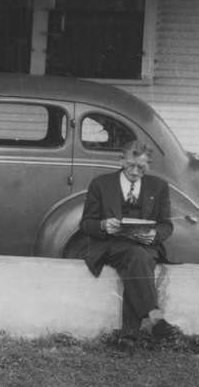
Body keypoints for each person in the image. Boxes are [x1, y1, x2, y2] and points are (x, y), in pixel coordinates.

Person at [77, 139, 181, 347]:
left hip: (145, 246)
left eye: (141, 168)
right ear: (121, 160)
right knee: (138, 257)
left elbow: (166, 225)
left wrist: (153, 235)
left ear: (148, 166)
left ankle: (128, 337)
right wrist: (104, 225)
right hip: (110, 245)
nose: (134, 172)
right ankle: (155, 317)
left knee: (136, 258)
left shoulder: (159, 187)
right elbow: (85, 225)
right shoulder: (101, 184)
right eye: (131, 165)